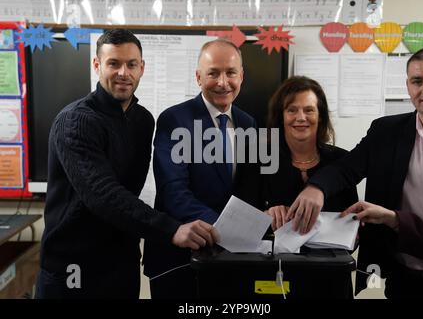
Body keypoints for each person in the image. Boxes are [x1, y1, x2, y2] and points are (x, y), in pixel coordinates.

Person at [36, 29, 217, 299]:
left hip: (122, 262)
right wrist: (171, 229)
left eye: (131, 64)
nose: (123, 72)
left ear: (141, 68)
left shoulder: (143, 121)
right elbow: (103, 194)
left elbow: (130, 190)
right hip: (73, 267)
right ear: (97, 65)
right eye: (113, 63)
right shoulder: (76, 121)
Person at [289, 46, 423, 298]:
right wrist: (316, 188)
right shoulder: (387, 132)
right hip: (404, 279)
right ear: (408, 87)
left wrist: (394, 219)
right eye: (417, 81)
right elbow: (346, 168)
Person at [143, 39, 257, 299]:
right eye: (213, 73)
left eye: (230, 73)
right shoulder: (175, 119)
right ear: (198, 77)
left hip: (230, 260)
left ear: (242, 76)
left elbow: (247, 189)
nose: (222, 82)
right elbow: (174, 192)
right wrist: (227, 229)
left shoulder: (248, 123)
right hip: (178, 261)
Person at [261, 76, 358, 230]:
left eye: (309, 110)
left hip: (329, 254)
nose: (300, 118)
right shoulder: (257, 159)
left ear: (320, 116)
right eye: (292, 110)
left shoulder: (341, 161)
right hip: (269, 253)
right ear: (281, 116)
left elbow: (351, 228)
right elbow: (240, 221)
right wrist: (265, 216)